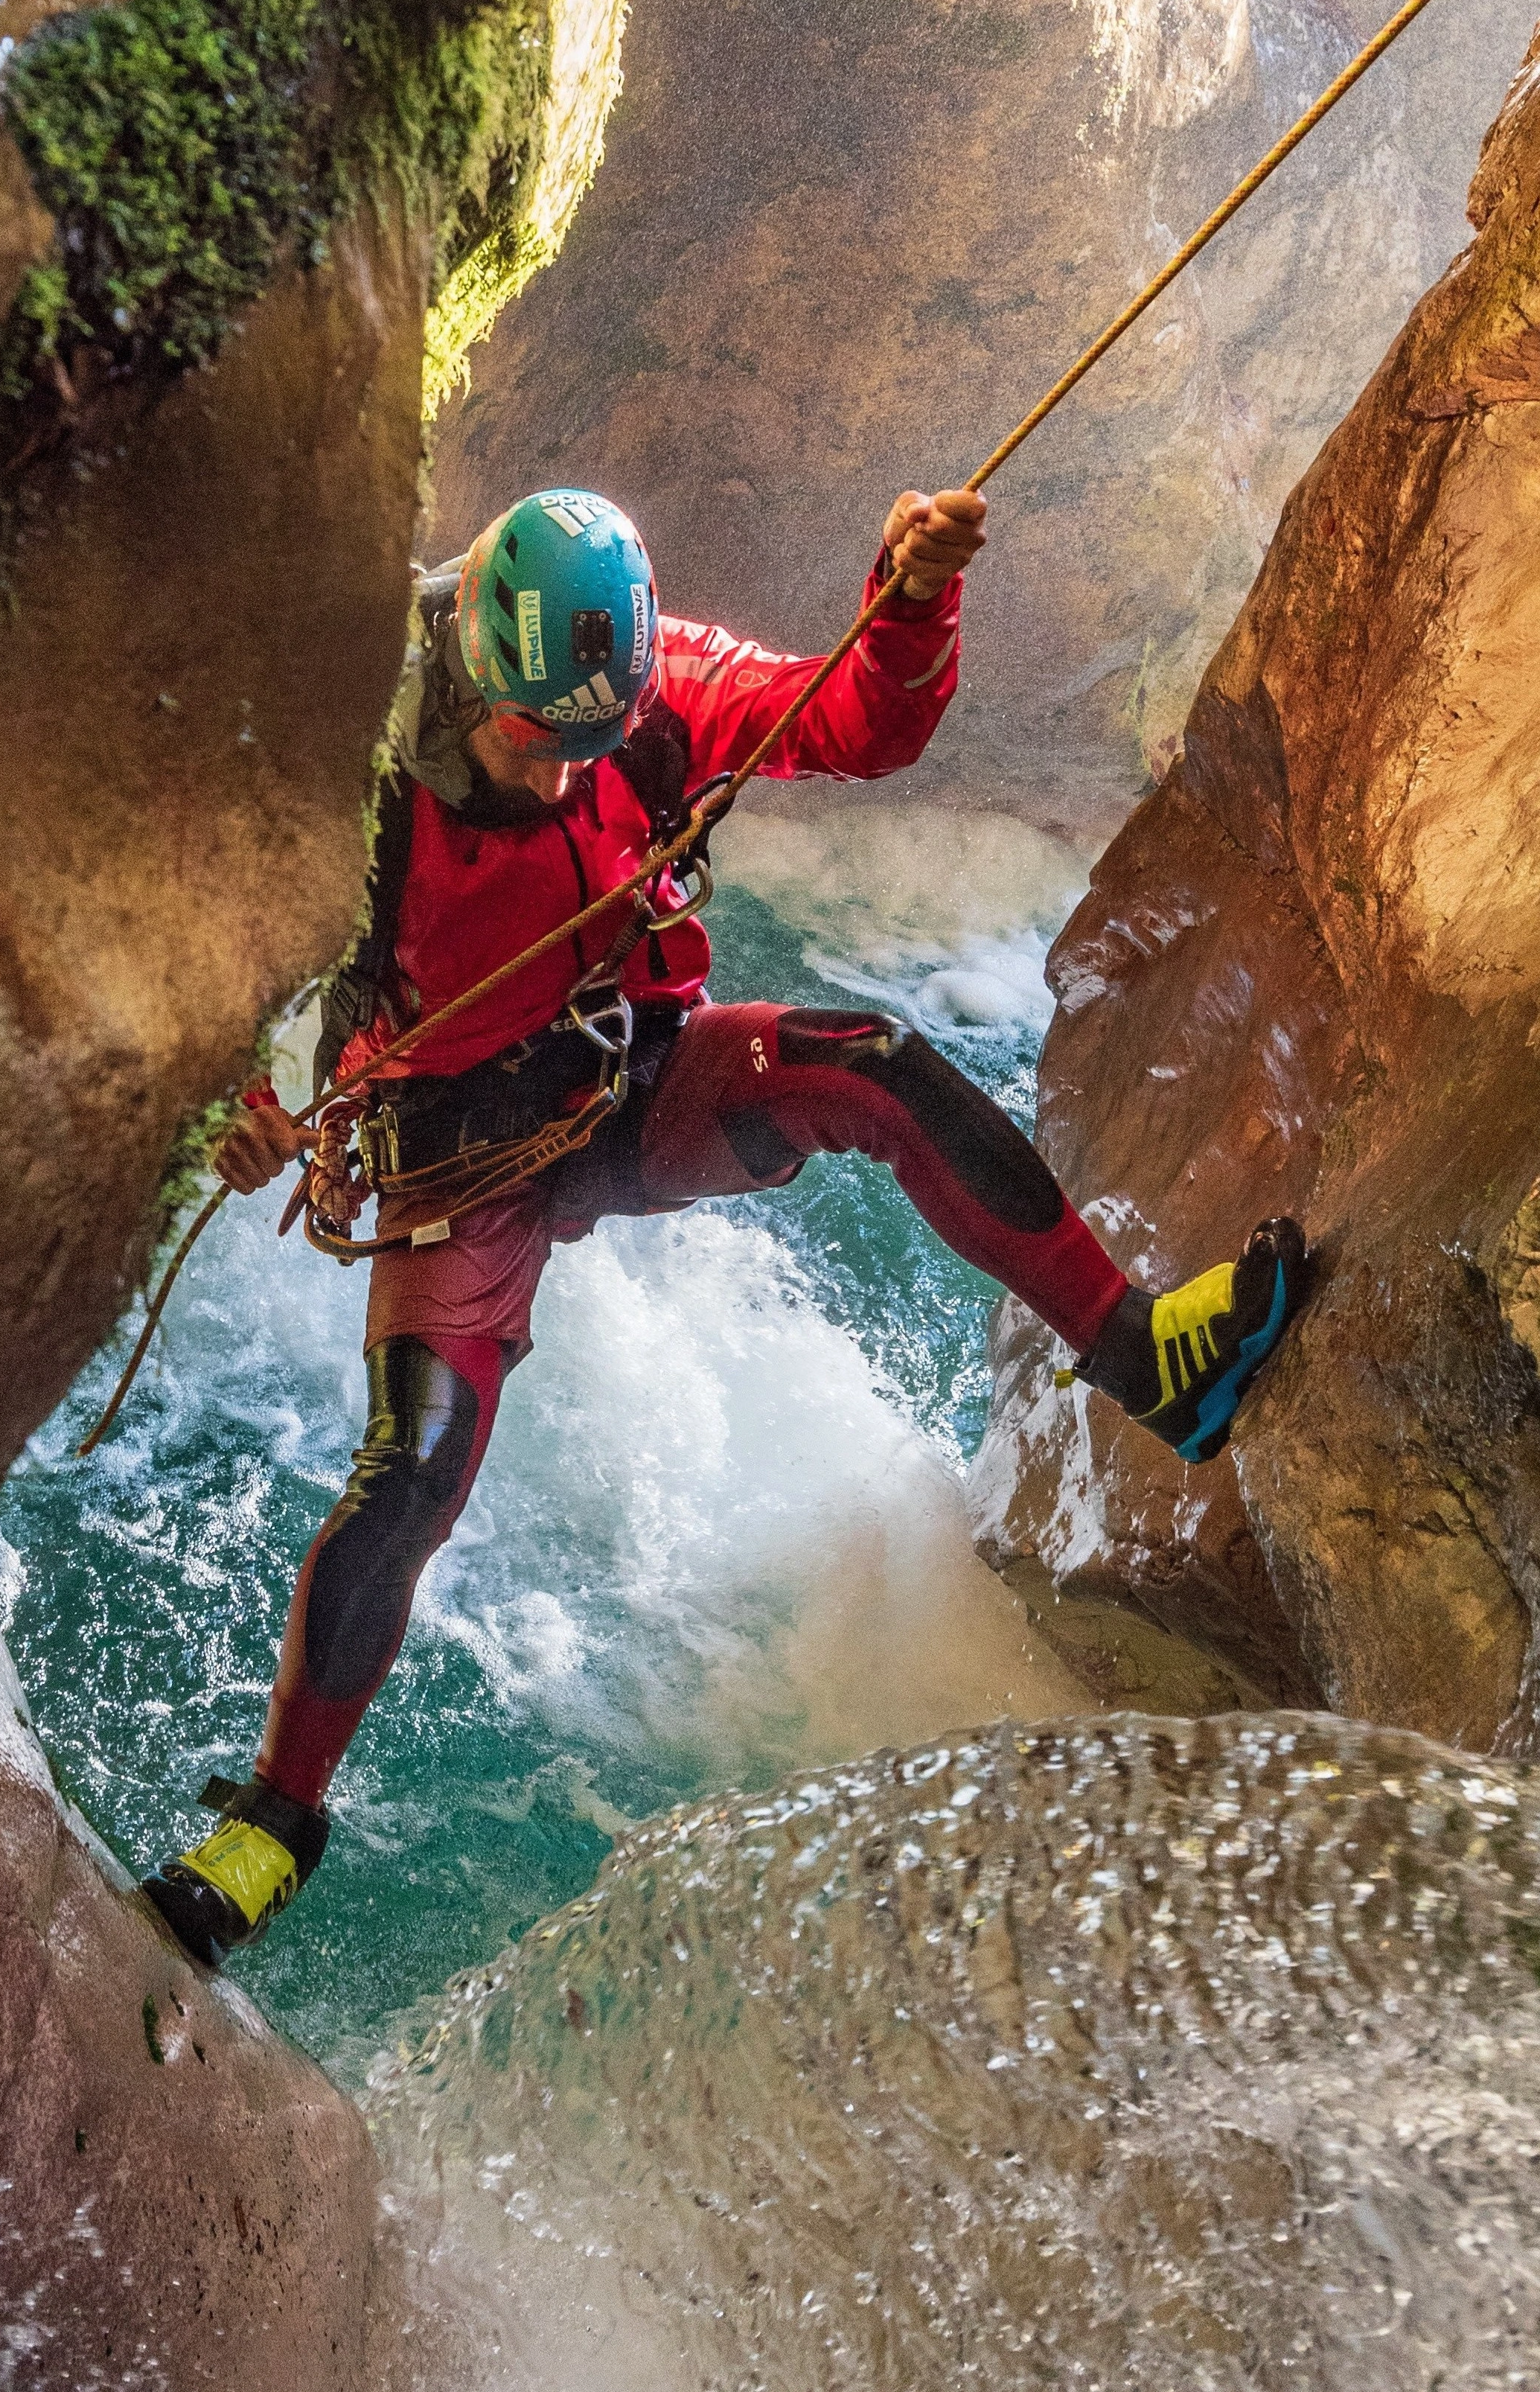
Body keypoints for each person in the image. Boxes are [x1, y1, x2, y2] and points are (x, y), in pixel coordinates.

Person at [141, 485, 1310, 1968]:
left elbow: (856, 724)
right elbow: (208, 936)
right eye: (532, 744)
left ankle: (1148, 1355)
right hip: (456, 1160)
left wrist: (909, 599)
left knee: (870, 1069)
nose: (566, 778)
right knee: (414, 1463)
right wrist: (235, 1101)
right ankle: (270, 1827)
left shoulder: (652, 690)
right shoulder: (360, 772)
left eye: (588, 744)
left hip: (634, 1072)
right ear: (471, 681)